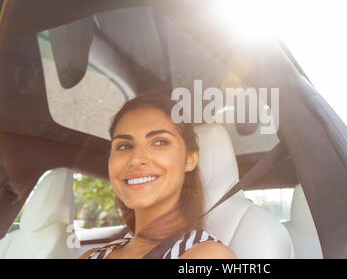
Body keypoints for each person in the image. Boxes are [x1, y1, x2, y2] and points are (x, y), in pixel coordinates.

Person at [79, 92, 236, 259]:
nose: (136, 159)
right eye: (124, 146)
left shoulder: (208, 256)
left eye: (160, 142)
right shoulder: (92, 255)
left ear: (190, 159)